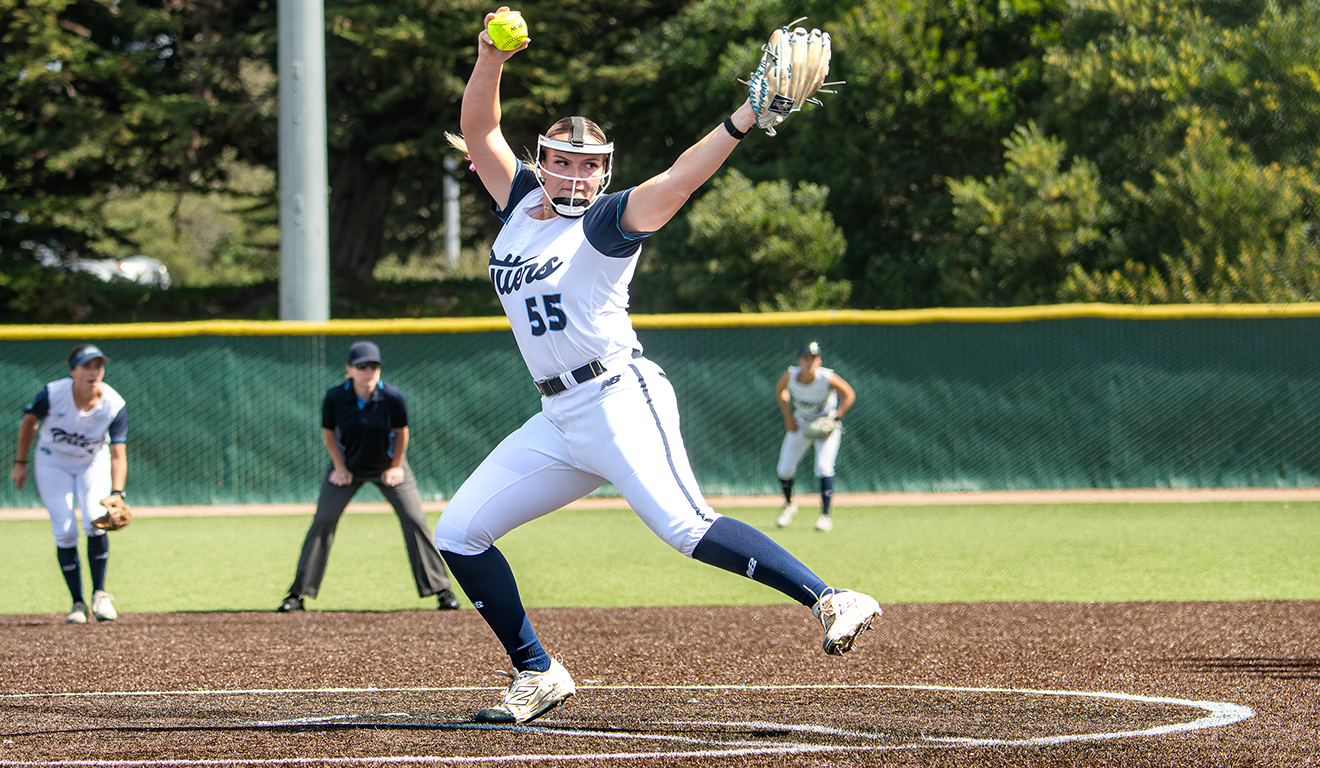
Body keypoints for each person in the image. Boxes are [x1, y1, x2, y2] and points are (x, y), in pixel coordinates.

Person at [432, 7, 882, 725]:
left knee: (684, 526)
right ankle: (537, 672)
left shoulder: (610, 222)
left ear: (605, 171)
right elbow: (481, 130)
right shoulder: (519, 201)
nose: (576, 176)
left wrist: (743, 117)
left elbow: (680, 178)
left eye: (589, 165)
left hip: (617, 394)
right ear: (542, 161)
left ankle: (830, 597)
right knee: (457, 531)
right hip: (558, 415)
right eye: (564, 162)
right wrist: (490, 58)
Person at [277, 341, 460, 613]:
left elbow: (401, 432)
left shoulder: (392, 396)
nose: (369, 371)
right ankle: (297, 594)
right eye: (362, 366)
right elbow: (329, 433)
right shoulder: (335, 397)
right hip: (347, 466)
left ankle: (442, 590)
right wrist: (339, 467)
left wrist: (397, 466)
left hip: (388, 464)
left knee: (414, 519)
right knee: (323, 520)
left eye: (373, 366)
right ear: (349, 369)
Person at [11, 344, 127, 624]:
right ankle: (77, 603)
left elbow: (118, 453)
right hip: (53, 462)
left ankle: (99, 594)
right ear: (73, 370)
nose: (93, 371)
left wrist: (118, 492)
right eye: (86, 366)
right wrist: (21, 463)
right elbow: (29, 423)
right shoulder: (53, 393)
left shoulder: (113, 403)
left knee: (94, 521)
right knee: (64, 530)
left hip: (91, 463)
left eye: (98, 365)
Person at [774, 342, 856, 533]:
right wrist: (788, 417)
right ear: (799, 360)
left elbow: (849, 394)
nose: (809, 361)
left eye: (813, 357)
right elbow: (780, 391)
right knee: (784, 469)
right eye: (805, 357)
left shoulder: (826, 377)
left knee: (823, 467)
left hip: (825, 425)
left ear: (819, 360)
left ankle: (825, 516)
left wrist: (836, 419)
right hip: (801, 423)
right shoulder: (791, 375)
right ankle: (788, 505)